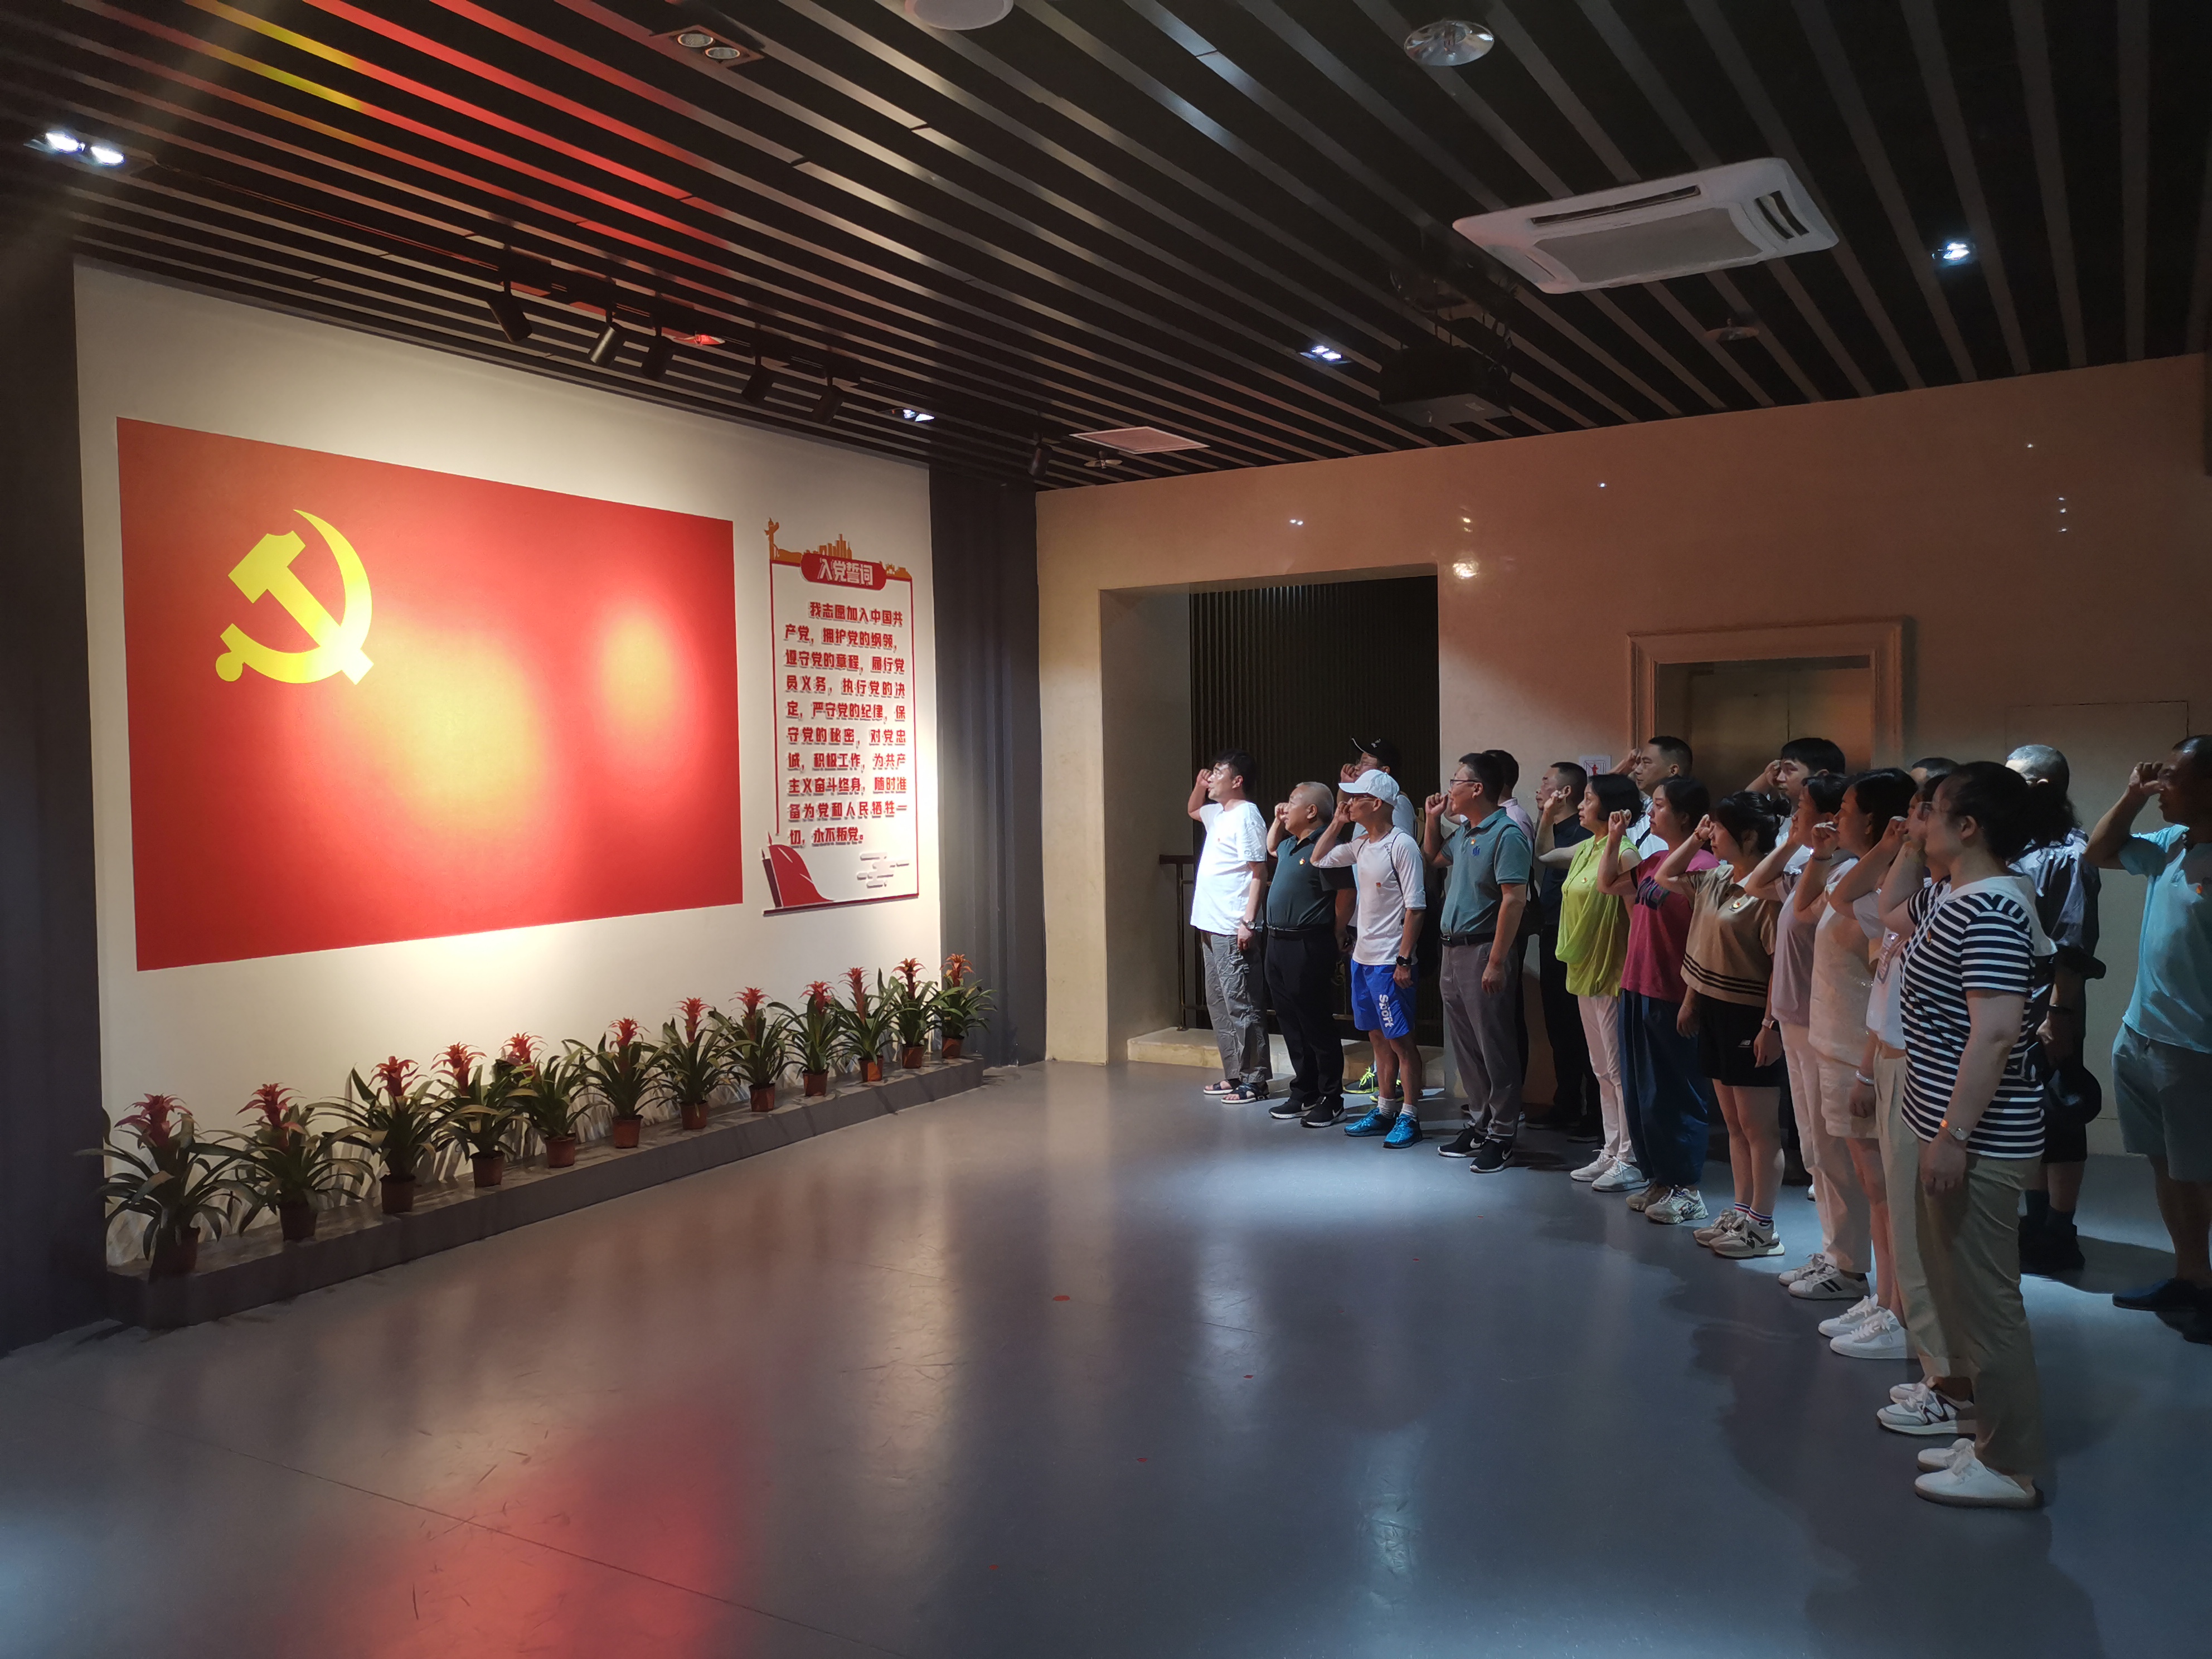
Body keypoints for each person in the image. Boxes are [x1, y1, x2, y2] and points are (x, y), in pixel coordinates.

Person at [1880, 762, 2050, 1508]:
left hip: (1980, 1136)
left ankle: (2009, 1465)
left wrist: (1953, 1134)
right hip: (1947, 1122)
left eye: (1932, 811)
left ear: (1968, 826)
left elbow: (1996, 1032)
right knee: (1960, 1292)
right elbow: (1891, 912)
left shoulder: (1989, 907)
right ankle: (1985, 1436)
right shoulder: (1956, 895)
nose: (1919, 822)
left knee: (1986, 1304)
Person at [2087, 736, 2212, 1339]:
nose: (2164, 788)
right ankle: (2191, 1275)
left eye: (2175, 779)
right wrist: (2132, 797)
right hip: (2142, 1034)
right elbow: (2098, 852)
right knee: (2166, 1166)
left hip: (2195, 1047)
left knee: (2201, 1172)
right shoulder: (2171, 844)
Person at [1746, 774, 1873, 1302]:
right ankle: (1834, 1252)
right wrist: (1806, 846)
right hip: (1802, 1020)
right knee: (1817, 1149)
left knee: (1837, 1153)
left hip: (1837, 1029)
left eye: (1804, 806)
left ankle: (1850, 1265)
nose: (1794, 814)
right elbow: (1760, 887)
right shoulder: (1816, 866)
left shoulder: (1854, 877)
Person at [1658, 792, 1787, 1258]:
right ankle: (1741, 1210)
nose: (1712, 834)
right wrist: (1695, 838)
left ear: (1748, 836)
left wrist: (1770, 1026)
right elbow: (1665, 876)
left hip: (1749, 1015)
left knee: (1759, 1128)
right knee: (1733, 1123)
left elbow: (1779, 968)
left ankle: (1763, 1226)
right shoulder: (1715, 878)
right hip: (1713, 1007)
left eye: (1720, 828)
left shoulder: (1766, 893)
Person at [1601, 775, 1718, 1224]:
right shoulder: (1655, 860)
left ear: (1686, 817)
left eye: (1661, 805)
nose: (1651, 811)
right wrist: (1614, 838)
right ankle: (1660, 1178)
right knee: (1642, 1092)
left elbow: (1706, 941)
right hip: (1638, 986)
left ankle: (1687, 1188)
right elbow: (1608, 883)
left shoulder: (1703, 866)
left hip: (1673, 992)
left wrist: (1693, 999)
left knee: (1676, 1091)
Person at [2005, 744, 2104, 1275]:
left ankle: (2061, 1230)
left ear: (2042, 787)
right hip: (2018, 1005)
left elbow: (2072, 944)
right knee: (2031, 1113)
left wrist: (2059, 1015)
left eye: (2015, 780)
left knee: (2061, 1112)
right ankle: (2037, 1220)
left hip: (2051, 1006)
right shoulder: (2020, 845)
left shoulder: (2068, 854)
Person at [1423, 753, 1532, 1171]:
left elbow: (1514, 900)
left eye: (1456, 781)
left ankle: (1502, 1133)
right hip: (1452, 949)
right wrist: (1432, 820)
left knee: (1494, 1046)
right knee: (1467, 1046)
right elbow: (1433, 858)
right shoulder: (1467, 832)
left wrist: (1497, 961)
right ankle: (1480, 1122)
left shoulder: (1506, 834)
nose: (1450, 789)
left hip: (1484, 949)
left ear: (1477, 789)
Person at [1314, 772, 1428, 1146]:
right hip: (1362, 959)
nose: (1348, 803)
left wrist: (1404, 959)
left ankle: (1410, 1115)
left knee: (1401, 1042)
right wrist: (1337, 822)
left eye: (1356, 797)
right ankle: (1385, 1108)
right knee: (1377, 1038)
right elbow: (1319, 858)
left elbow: (1416, 907)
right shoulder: (1362, 844)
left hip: (1389, 960)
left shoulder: (1402, 845)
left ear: (1376, 803)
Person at [1552, 772, 1651, 1189]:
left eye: (1588, 799)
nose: (1580, 805)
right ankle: (1611, 1150)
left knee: (1618, 1068)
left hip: (1612, 971)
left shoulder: (1625, 853)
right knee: (1600, 1069)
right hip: (1583, 969)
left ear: (1611, 808)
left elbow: (1635, 921)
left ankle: (1631, 1157)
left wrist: (1631, 974)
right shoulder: (1587, 848)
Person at [1185, 750, 1271, 1104]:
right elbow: (1193, 810)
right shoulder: (1218, 813)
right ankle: (1235, 1073)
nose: (1211, 777)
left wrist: (1248, 922)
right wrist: (1198, 785)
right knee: (1219, 1002)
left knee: (1242, 1003)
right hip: (1210, 923)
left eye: (1218, 772)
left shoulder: (1247, 815)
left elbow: (1259, 871)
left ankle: (1256, 1079)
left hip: (1232, 925)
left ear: (1237, 781)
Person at [1263, 782, 1347, 1128]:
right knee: (1290, 1021)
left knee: (1315, 1021)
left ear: (1312, 811)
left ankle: (1331, 1096)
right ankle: (1305, 1089)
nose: (1285, 807)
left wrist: (1336, 933)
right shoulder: (1289, 845)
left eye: (1292, 802)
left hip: (1308, 942)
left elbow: (1346, 894)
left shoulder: (1327, 845)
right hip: (1277, 942)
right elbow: (1270, 847)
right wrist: (1278, 819)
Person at [1531, 763, 1599, 1137]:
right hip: (1551, 932)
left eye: (1546, 781)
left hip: (1578, 937)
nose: (1540, 786)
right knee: (1558, 1025)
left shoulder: (1585, 833)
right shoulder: (1551, 828)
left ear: (1566, 792)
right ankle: (1566, 1102)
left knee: (1582, 1026)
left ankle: (1595, 1114)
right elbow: (1542, 855)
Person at [1750, 737, 1849, 804]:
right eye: (1780, 770)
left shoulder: (1832, 820)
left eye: (1790, 770)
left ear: (1821, 777)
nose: (1779, 778)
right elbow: (1745, 808)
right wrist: (1766, 776)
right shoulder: (1783, 812)